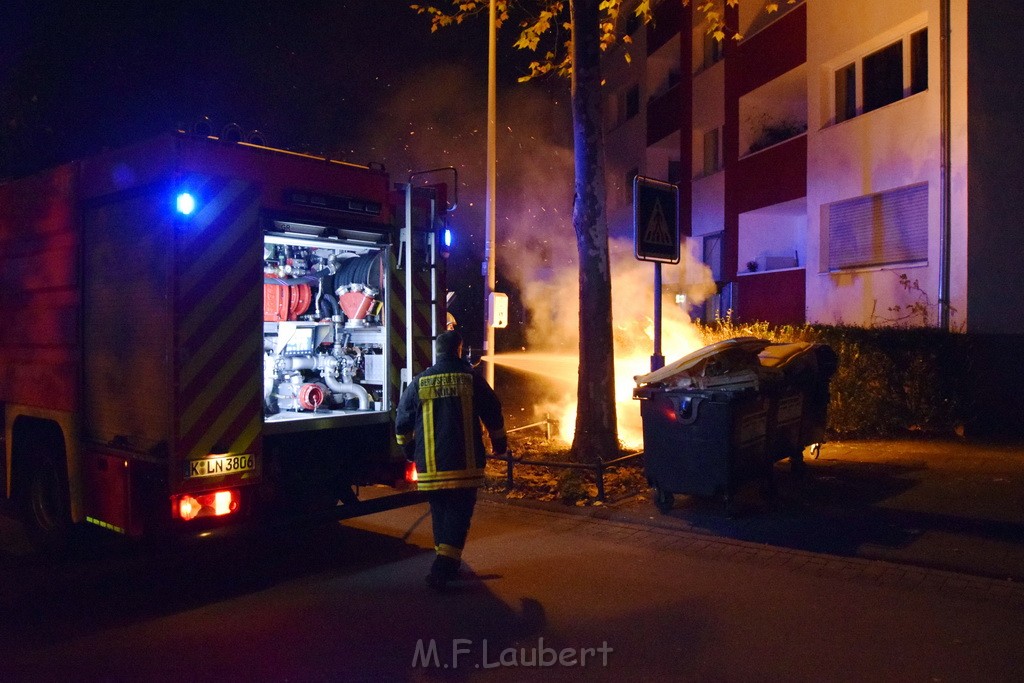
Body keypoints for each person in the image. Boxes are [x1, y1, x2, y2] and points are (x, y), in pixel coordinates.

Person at [395, 330, 507, 591]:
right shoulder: (471, 379)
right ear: (459, 350)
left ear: (437, 352)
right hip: (464, 466)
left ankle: (448, 563)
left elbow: (402, 421)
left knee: (441, 514)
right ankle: (442, 569)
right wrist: (500, 444)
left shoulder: (420, 382)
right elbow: (493, 413)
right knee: (458, 516)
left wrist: (409, 450)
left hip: (430, 467)